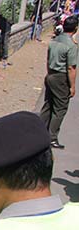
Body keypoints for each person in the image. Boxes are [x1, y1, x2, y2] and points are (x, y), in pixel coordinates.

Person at [40, 15, 78, 149]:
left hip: (50, 74)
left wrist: (49, 73)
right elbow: (71, 68)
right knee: (60, 108)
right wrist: (72, 86)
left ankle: (39, 132)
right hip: (60, 77)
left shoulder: (54, 41)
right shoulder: (71, 45)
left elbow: (47, 59)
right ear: (75, 29)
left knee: (48, 105)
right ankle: (52, 138)